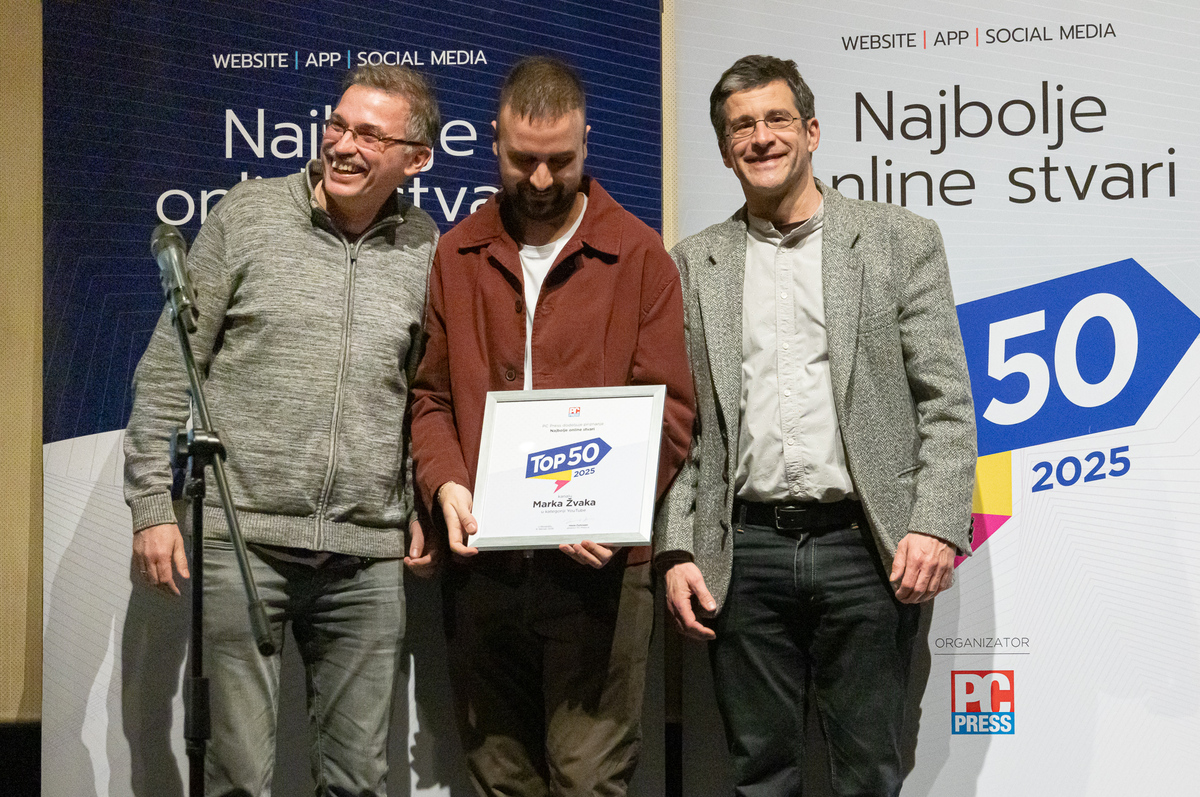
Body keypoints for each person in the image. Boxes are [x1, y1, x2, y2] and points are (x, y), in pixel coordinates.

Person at [657, 54, 976, 796]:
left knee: (868, 773)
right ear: (725, 147)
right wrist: (676, 545)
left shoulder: (899, 239)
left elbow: (948, 403)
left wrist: (934, 524)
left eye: (777, 119)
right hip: (744, 553)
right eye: (742, 126)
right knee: (759, 774)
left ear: (812, 131)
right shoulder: (694, 263)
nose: (761, 137)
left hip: (865, 550)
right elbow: (685, 426)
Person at [123, 64, 441, 796]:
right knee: (236, 777)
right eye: (338, 125)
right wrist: (151, 504)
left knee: (359, 780)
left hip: (367, 555)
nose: (344, 146)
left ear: (416, 158)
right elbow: (171, 366)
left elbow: (424, 395)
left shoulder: (426, 246)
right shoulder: (249, 214)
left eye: (370, 135)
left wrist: (421, 499)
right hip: (243, 542)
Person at [410, 56, 694, 797]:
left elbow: (671, 411)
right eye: (522, 159)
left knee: (589, 779)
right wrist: (445, 484)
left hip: (600, 573)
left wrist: (609, 504)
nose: (540, 179)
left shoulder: (640, 255)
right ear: (494, 141)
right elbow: (430, 397)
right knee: (499, 778)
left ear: (587, 143)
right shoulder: (456, 254)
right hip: (484, 572)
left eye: (560, 161)